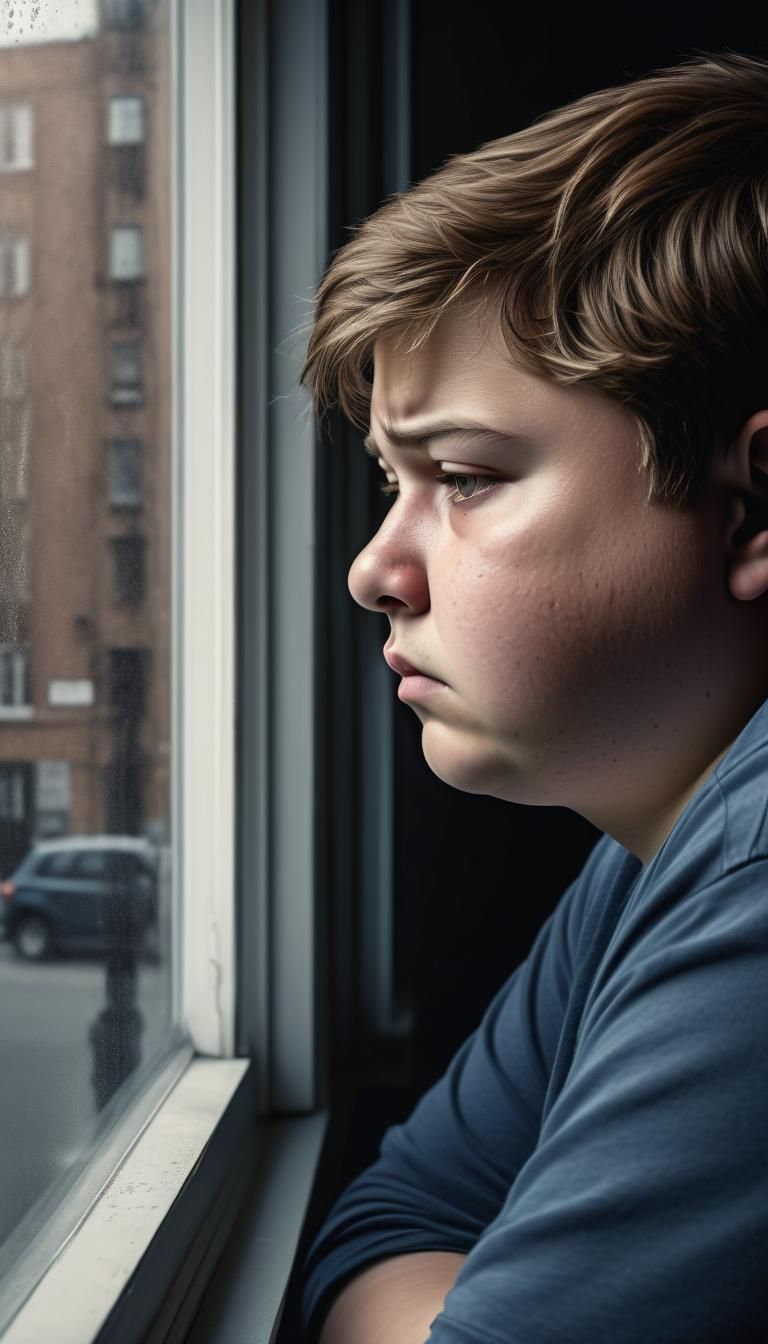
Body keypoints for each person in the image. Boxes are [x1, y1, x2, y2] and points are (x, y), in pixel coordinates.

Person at [296, 50, 768, 1343]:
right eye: (395, 482)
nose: (373, 572)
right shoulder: (658, 844)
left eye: (464, 476)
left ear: (755, 504)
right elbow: (383, 1221)